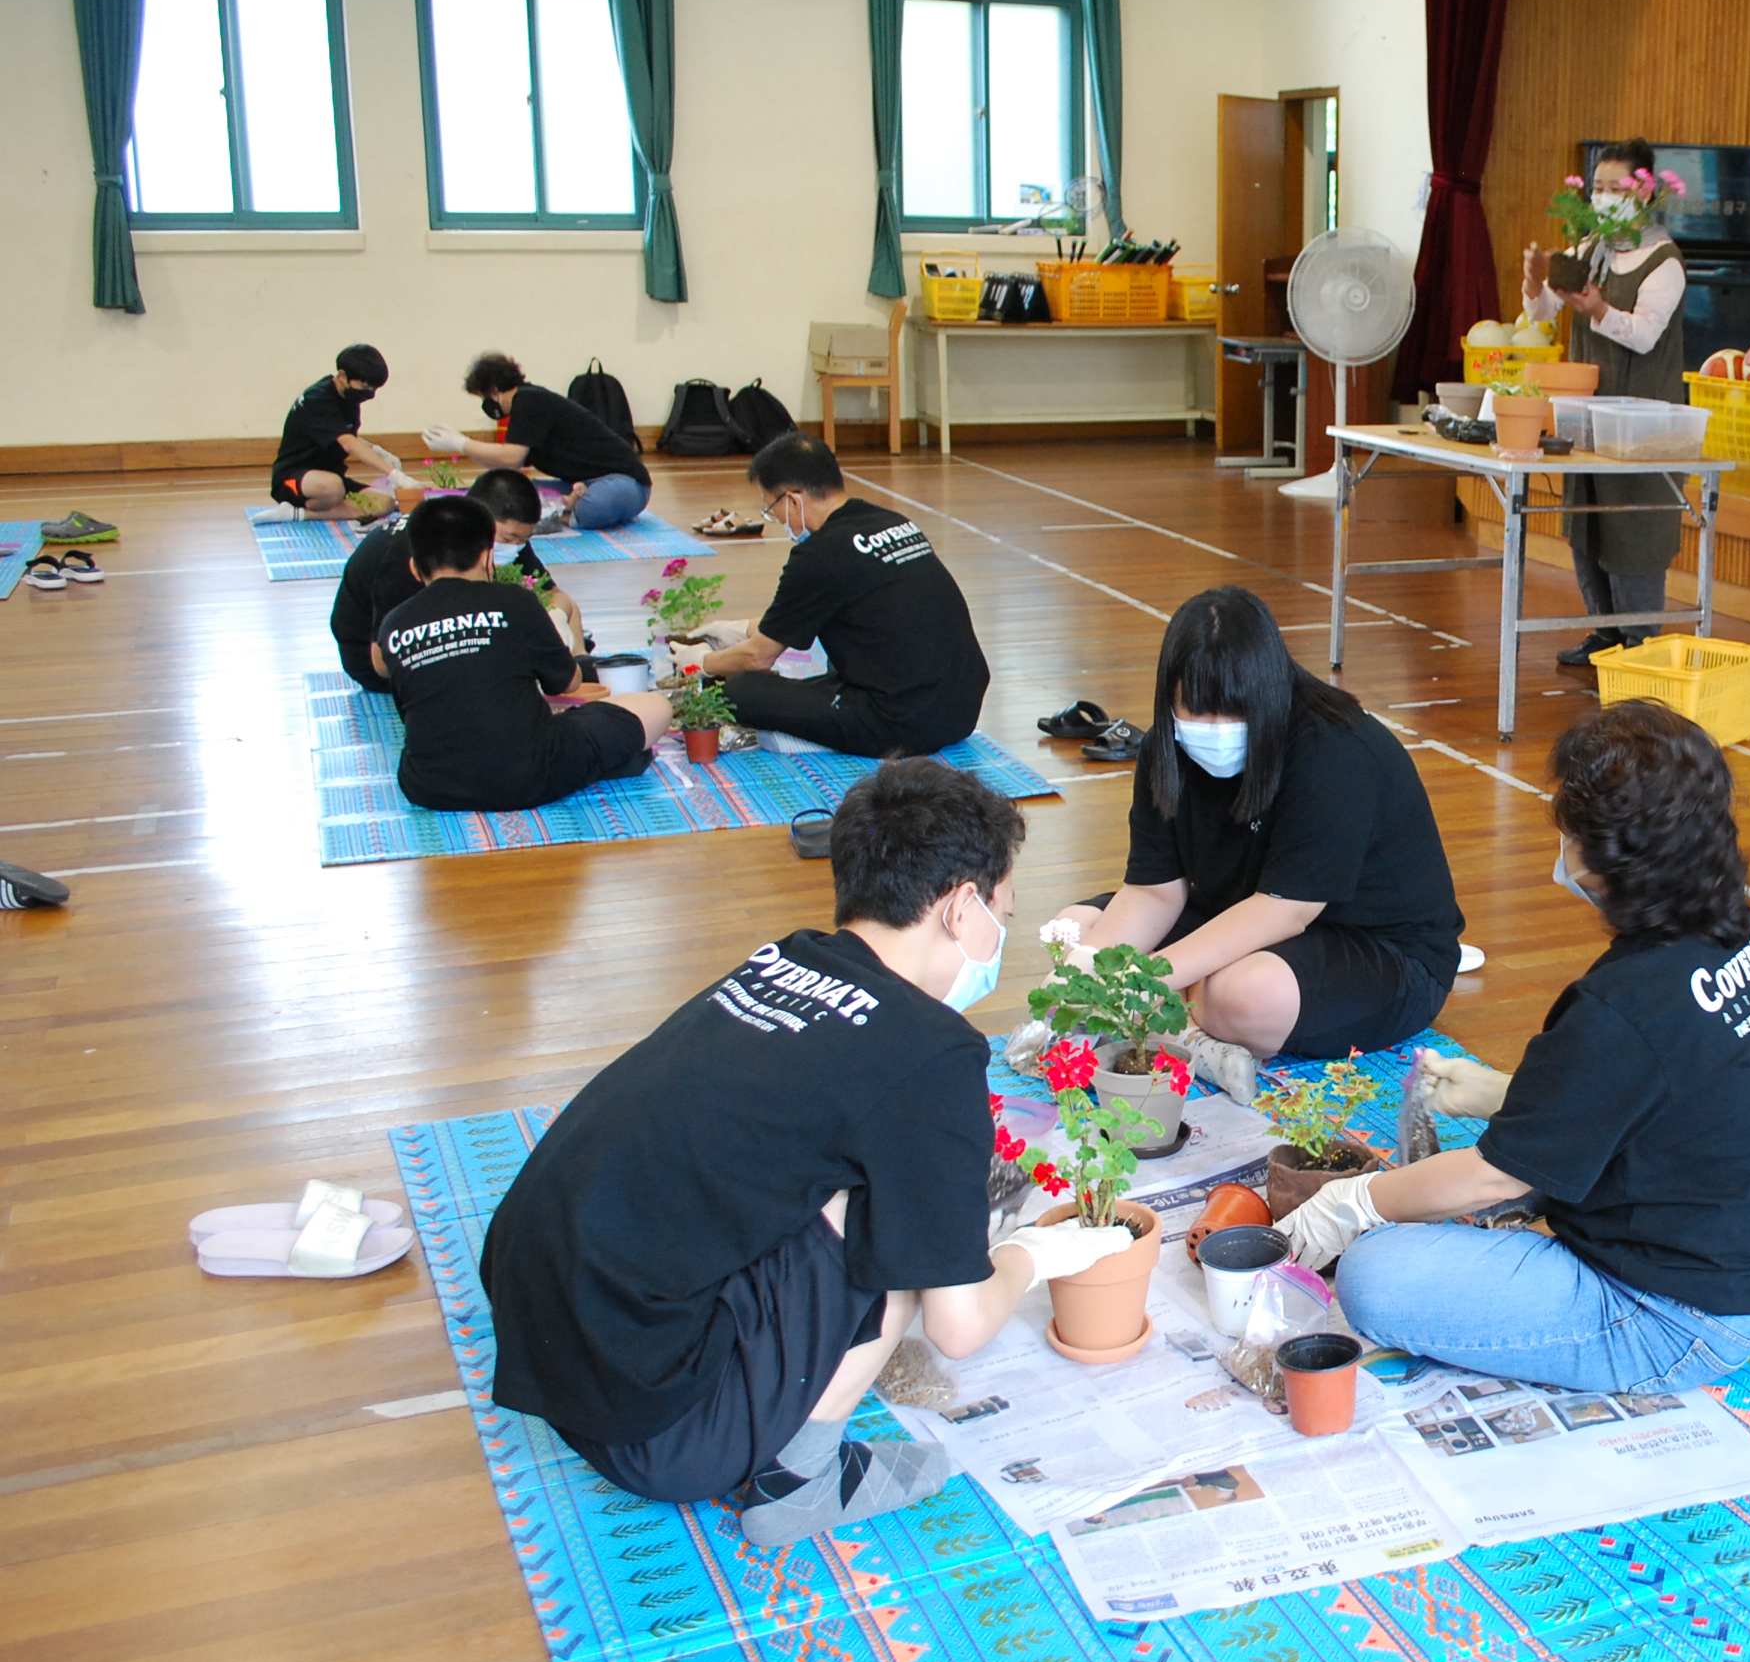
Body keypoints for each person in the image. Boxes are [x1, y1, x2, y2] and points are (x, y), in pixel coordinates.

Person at [479, 761, 1137, 1546]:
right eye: (1002, 910)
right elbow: (959, 1328)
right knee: (892, 1210)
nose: (1000, 936)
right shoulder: (930, 1051)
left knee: (856, 1174)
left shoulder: (782, 958)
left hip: (553, 1353)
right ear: (962, 907)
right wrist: (1035, 1251)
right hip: (662, 1434)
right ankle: (802, 1483)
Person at [1283, 700, 1750, 1393]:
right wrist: (1505, 1092)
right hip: (1731, 1269)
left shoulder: (1623, 1006)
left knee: (1376, 1273)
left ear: (1604, 855)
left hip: (1665, 1320)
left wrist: (1355, 1202)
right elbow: (1659, 1088)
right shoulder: (1731, 928)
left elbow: (1490, 1177)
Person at [1047, 586, 1463, 1072]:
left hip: (1374, 946)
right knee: (1072, 932)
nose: (1214, 726)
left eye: (1234, 710)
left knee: (1243, 994)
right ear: (1170, 697)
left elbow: (1285, 913)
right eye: (1196, 709)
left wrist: (1146, 978)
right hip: (1237, 912)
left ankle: (1177, 1022)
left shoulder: (1336, 750)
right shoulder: (1168, 747)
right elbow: (1154, 892)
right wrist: (1094, 971)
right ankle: (1188, 1026)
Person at [694, 434, 990, 757]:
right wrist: (737, 629)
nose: (778, 520)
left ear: (793, 500)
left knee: (739, 690)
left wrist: (702, 663)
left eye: (772, 510)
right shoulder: (892, 521)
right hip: (963, 706)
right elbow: (811, 616)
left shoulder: (818, 554)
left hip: (903, 724)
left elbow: (757, 657)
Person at [374, 497, 672, 811]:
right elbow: (568, 684)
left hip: (429, 788)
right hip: (529, 778)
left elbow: (415, 711)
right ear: (489, 559)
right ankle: (603, 763)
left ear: (414, 567)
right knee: (656, 706)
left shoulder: (393, 624)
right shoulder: (513, 600)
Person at [1518, 138, 1690, 668]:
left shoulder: (1663, 261)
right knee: (1588, 519)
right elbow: (1543, 312)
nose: (1605, 197)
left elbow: (1643, 334)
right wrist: (1533, 278)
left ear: (1644, 193)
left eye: (1617, 188)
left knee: (1633, 526)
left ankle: (1640, 644)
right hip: (1587, 411)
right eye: (1597, 187)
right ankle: (1604, 633)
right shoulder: (1588, 247)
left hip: (1642, 419)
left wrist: (1596, 308)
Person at [329, 470, 583, 692]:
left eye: (522, 540)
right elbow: (382, 660)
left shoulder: (498, 539)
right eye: (508, 538)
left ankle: (583, 665)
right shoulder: (414, 552)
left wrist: (556, 618)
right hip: (377, 662)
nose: (515, 547)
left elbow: (554, 594)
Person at [424, 353, 654, 531]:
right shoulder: (526, 402)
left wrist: (460, 443)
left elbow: (510, 457)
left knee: (595, 506)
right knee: (520, 494)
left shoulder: (528, 400)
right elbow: (506, 466)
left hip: (627, 484)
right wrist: (463, 444)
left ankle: (567, 510)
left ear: (493, 392)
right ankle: (569, 505)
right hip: (581, 484)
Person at [264, 343, 411, 522]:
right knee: (332, 488)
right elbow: (348, 442)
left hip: (332, 477)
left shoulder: (348, 398)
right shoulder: (318, 400)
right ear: (342, 375)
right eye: (364, 386)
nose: (370, 393)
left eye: (373, 388)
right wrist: (394, 474)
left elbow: (346, 434)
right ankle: (309, 503)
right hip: (294, 479)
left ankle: (299, 513)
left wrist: (378, 451)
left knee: (384, 504)